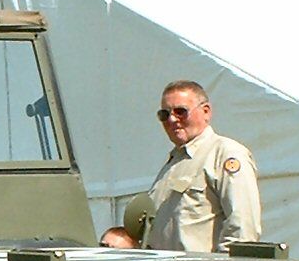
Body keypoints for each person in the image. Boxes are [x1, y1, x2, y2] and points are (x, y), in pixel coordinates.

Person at [100, 80, 261, 251]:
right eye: (164, 114)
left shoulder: (225, 154)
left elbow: (243, 227)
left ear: (206, 111)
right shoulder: (173, 164)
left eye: (181, 111)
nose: (172, 119)